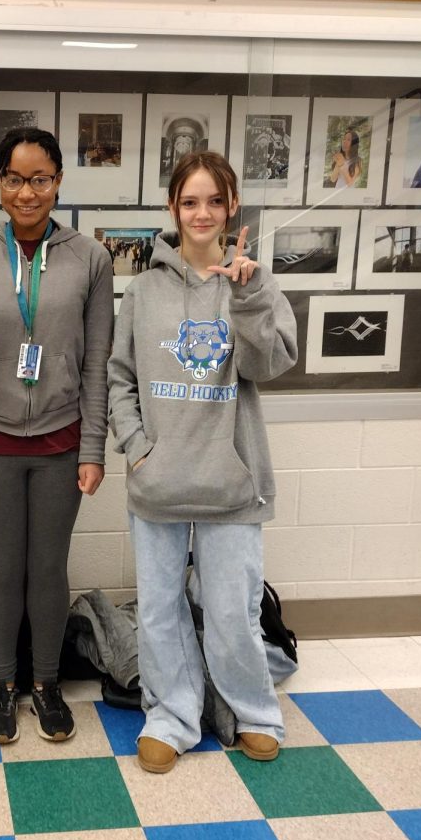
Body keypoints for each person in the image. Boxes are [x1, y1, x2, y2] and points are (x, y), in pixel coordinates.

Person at [107, 150, 297, 774]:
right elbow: (118, 378)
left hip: (231, 483)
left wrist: (246, 299)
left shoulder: (256, 282)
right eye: (190, 201)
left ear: (232, 206)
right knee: (159, 609)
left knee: (231, 610)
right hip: (158, 481)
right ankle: (172, 716)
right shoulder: (142, 290)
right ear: (172, 208)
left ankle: (255, 714)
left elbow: (269, 368)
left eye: (215, 200)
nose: (202, 213)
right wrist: (137, 447)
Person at [0, 127, 114, 744]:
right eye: (14, 178)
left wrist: (93, 447)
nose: (26, 191)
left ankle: (46, 684)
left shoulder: (90, 258)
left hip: (61, 437)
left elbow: (98, 362)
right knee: (2, 566)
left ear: (58, 182)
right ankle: (0, 684)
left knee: (47, 567)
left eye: (39, 178)